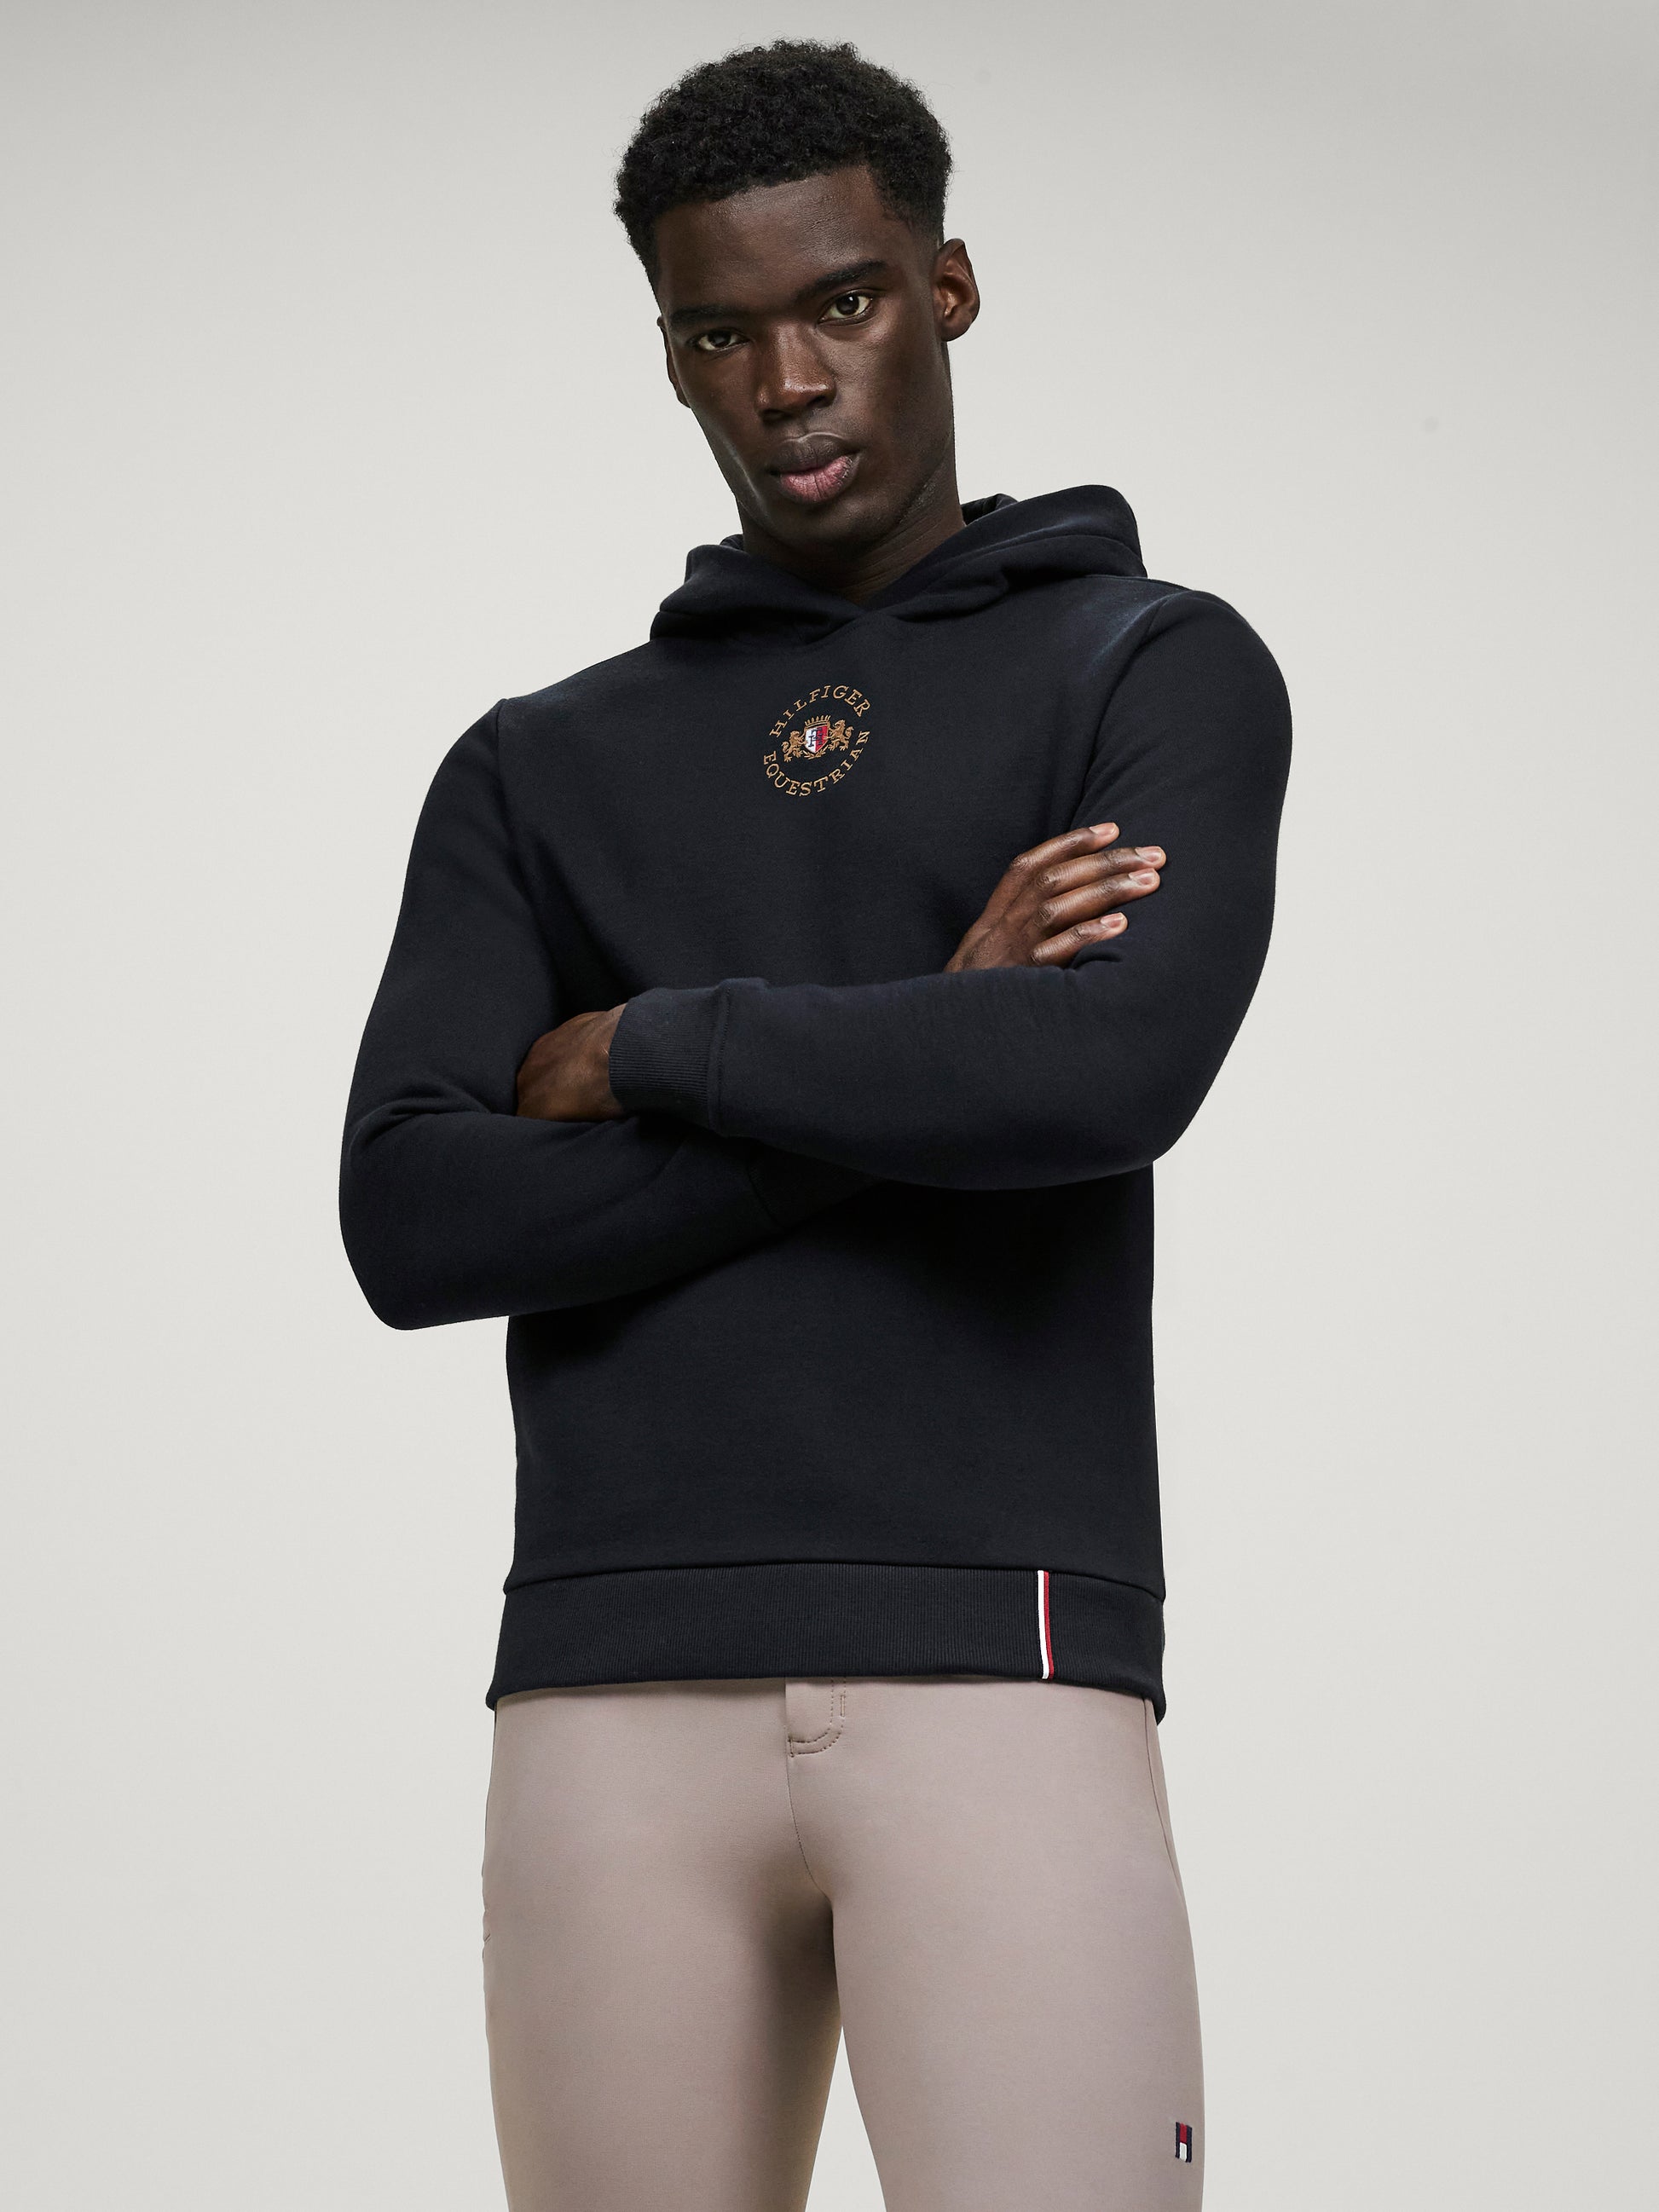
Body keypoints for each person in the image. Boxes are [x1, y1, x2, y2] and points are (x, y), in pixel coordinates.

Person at [340, 38, 1290, 2212]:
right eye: (718, 332)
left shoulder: (1144, 667)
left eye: (841, 302)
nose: (785, 381)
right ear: (669, 350)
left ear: (945, 287)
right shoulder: (539, 763)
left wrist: (647, 1046)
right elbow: (412, 1213)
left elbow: (1105, 1075)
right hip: (604, 1684)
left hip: (1003, 1653)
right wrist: (933, 1036)